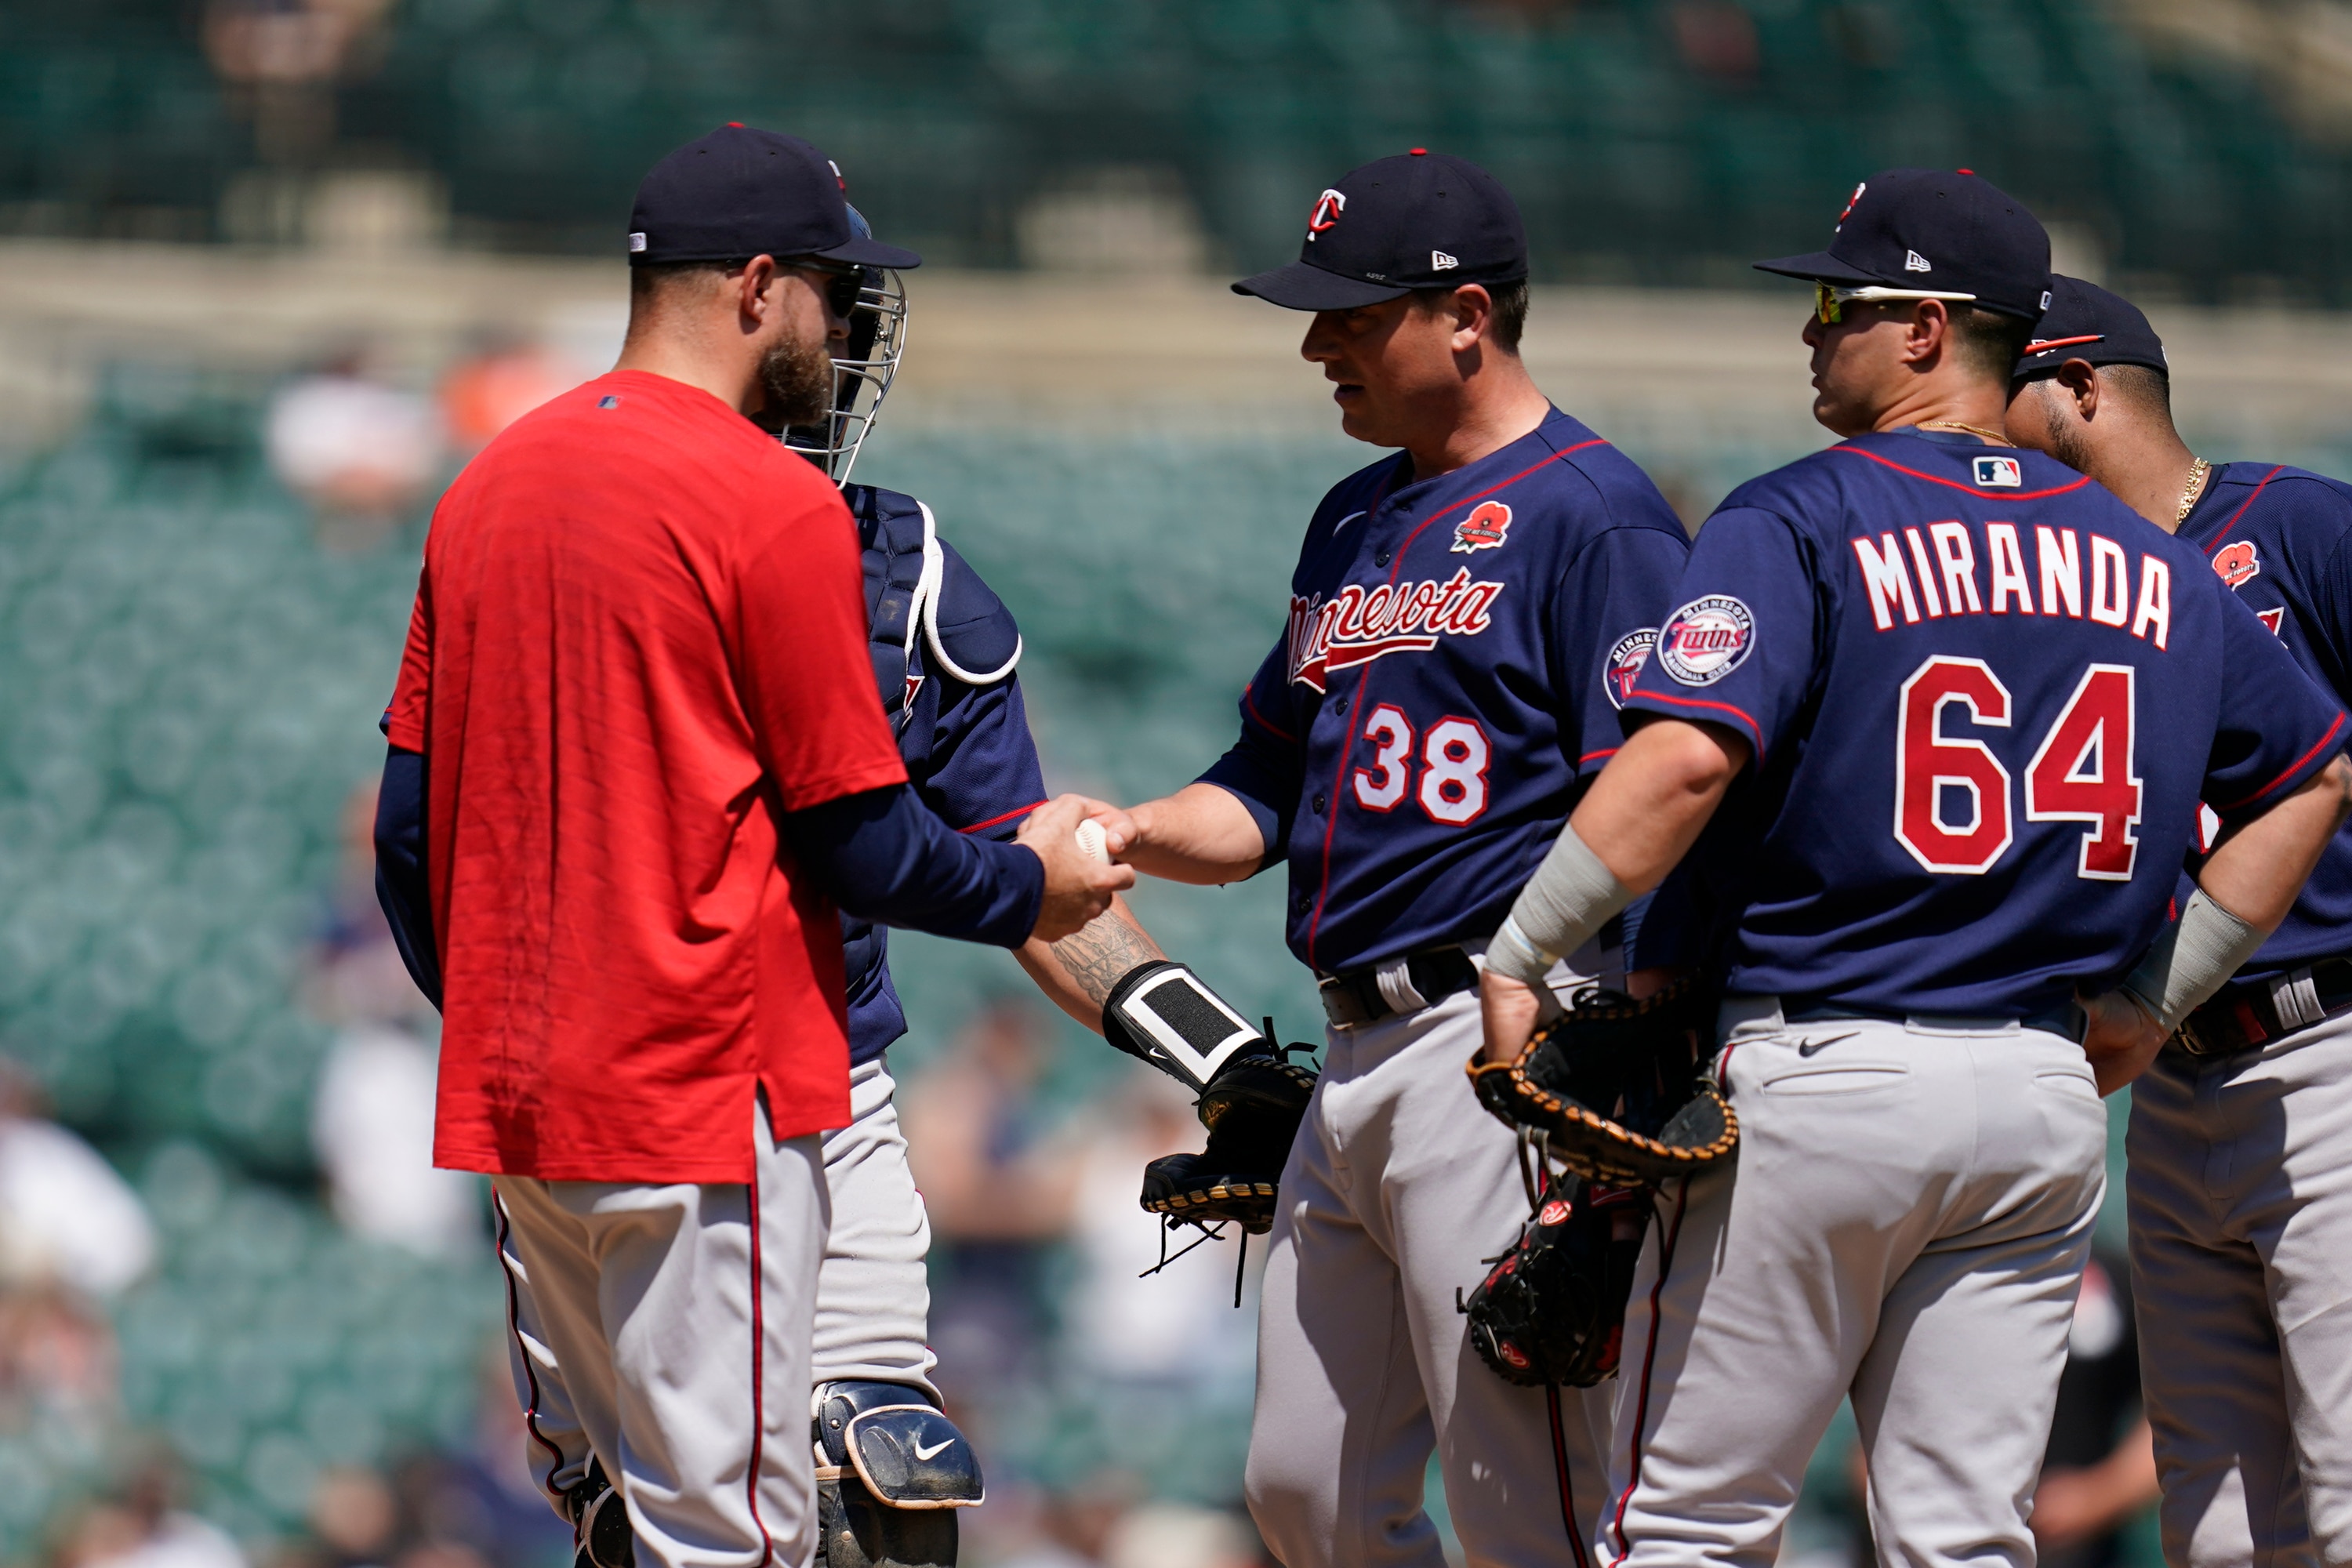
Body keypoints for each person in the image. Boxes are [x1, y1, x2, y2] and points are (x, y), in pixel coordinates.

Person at [1472, 169, 2352, 1568]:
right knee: (1963, 1540)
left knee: (1695, 1526)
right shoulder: (2156, 561)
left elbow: (1689, 758)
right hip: (2044, 1103)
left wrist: (1519, 955)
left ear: (1929, 329)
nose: (1811, 334)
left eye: (1839, 305)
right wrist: (2152, 999)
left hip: (1828, 1073)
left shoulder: (1801, 513)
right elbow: (2314, 774)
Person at [371, 125, 1129, 1568]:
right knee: (750, 1543)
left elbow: (413, 835)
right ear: (761, 286)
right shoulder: (772, 499)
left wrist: (508, 1022)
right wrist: (1034, 884)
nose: (843, 330)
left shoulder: (490, 482)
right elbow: (859, 838)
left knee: (639, 1527)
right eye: (836, 295)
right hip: (710, 1094)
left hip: (531, 1109)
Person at [1080, 150, 1696, 1566]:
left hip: (1497, 1039)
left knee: (1519, 1491)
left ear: (1466, 315)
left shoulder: (1597, 513)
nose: (1315, 344)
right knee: (1306, 1491)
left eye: (1351, 315)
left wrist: (1617, 1048)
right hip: (1351, 1056)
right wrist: (1129, 831)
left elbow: (1653, 799)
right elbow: (1267, 783)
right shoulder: (1352, 516)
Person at [774, 209, 1252, 1568]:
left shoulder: (904, 569)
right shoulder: (569, 529)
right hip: (621, 1091)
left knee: (887, 1491)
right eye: (830, 315)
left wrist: (1223, 1068)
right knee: (658, 1516)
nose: (849, 354)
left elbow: (1039, 871)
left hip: (826, 1084)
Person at [2004, 276, 2352, 1568]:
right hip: (2168, 1085)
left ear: (2084, 391)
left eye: (2008, 400)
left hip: (2330, 1052)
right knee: (2216, 1518)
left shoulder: (2301, 526)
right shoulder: (2055, 593)